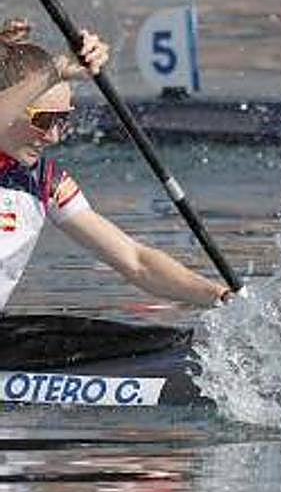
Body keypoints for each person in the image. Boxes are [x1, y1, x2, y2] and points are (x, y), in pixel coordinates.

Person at [0, 21, 230, 311]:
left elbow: (137, 262)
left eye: (62, 120)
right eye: (44, 120)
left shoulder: (46, 181)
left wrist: (219, 297)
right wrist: (55, 69)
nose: (54, 136)